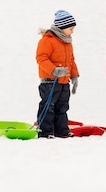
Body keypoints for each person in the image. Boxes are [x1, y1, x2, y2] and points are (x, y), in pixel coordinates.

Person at [35, 10, 79, 139]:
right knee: (48, 106)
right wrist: (54, 70)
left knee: (62, 107)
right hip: (50, 81)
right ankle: (45, 131)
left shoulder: (68, 42)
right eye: (71, 28)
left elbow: (71, 60)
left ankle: (61, 131)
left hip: (64, 82)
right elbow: (41, 58)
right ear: (62, 27)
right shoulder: (47, 40)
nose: (72, 31)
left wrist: (74, 76)